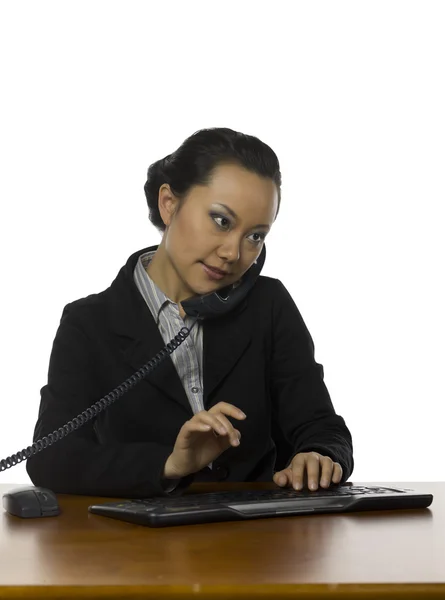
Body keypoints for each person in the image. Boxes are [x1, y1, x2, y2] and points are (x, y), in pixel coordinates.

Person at [26, 127, 354, 498]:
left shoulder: (269, 304)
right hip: (139, 548)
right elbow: (50, 458)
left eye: (255, 236)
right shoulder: (88, 324)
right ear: (169, 204)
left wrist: (320, 455)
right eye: (221, 221)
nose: (233, 252)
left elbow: (322, 426)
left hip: (262, 542)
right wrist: (169, 464)